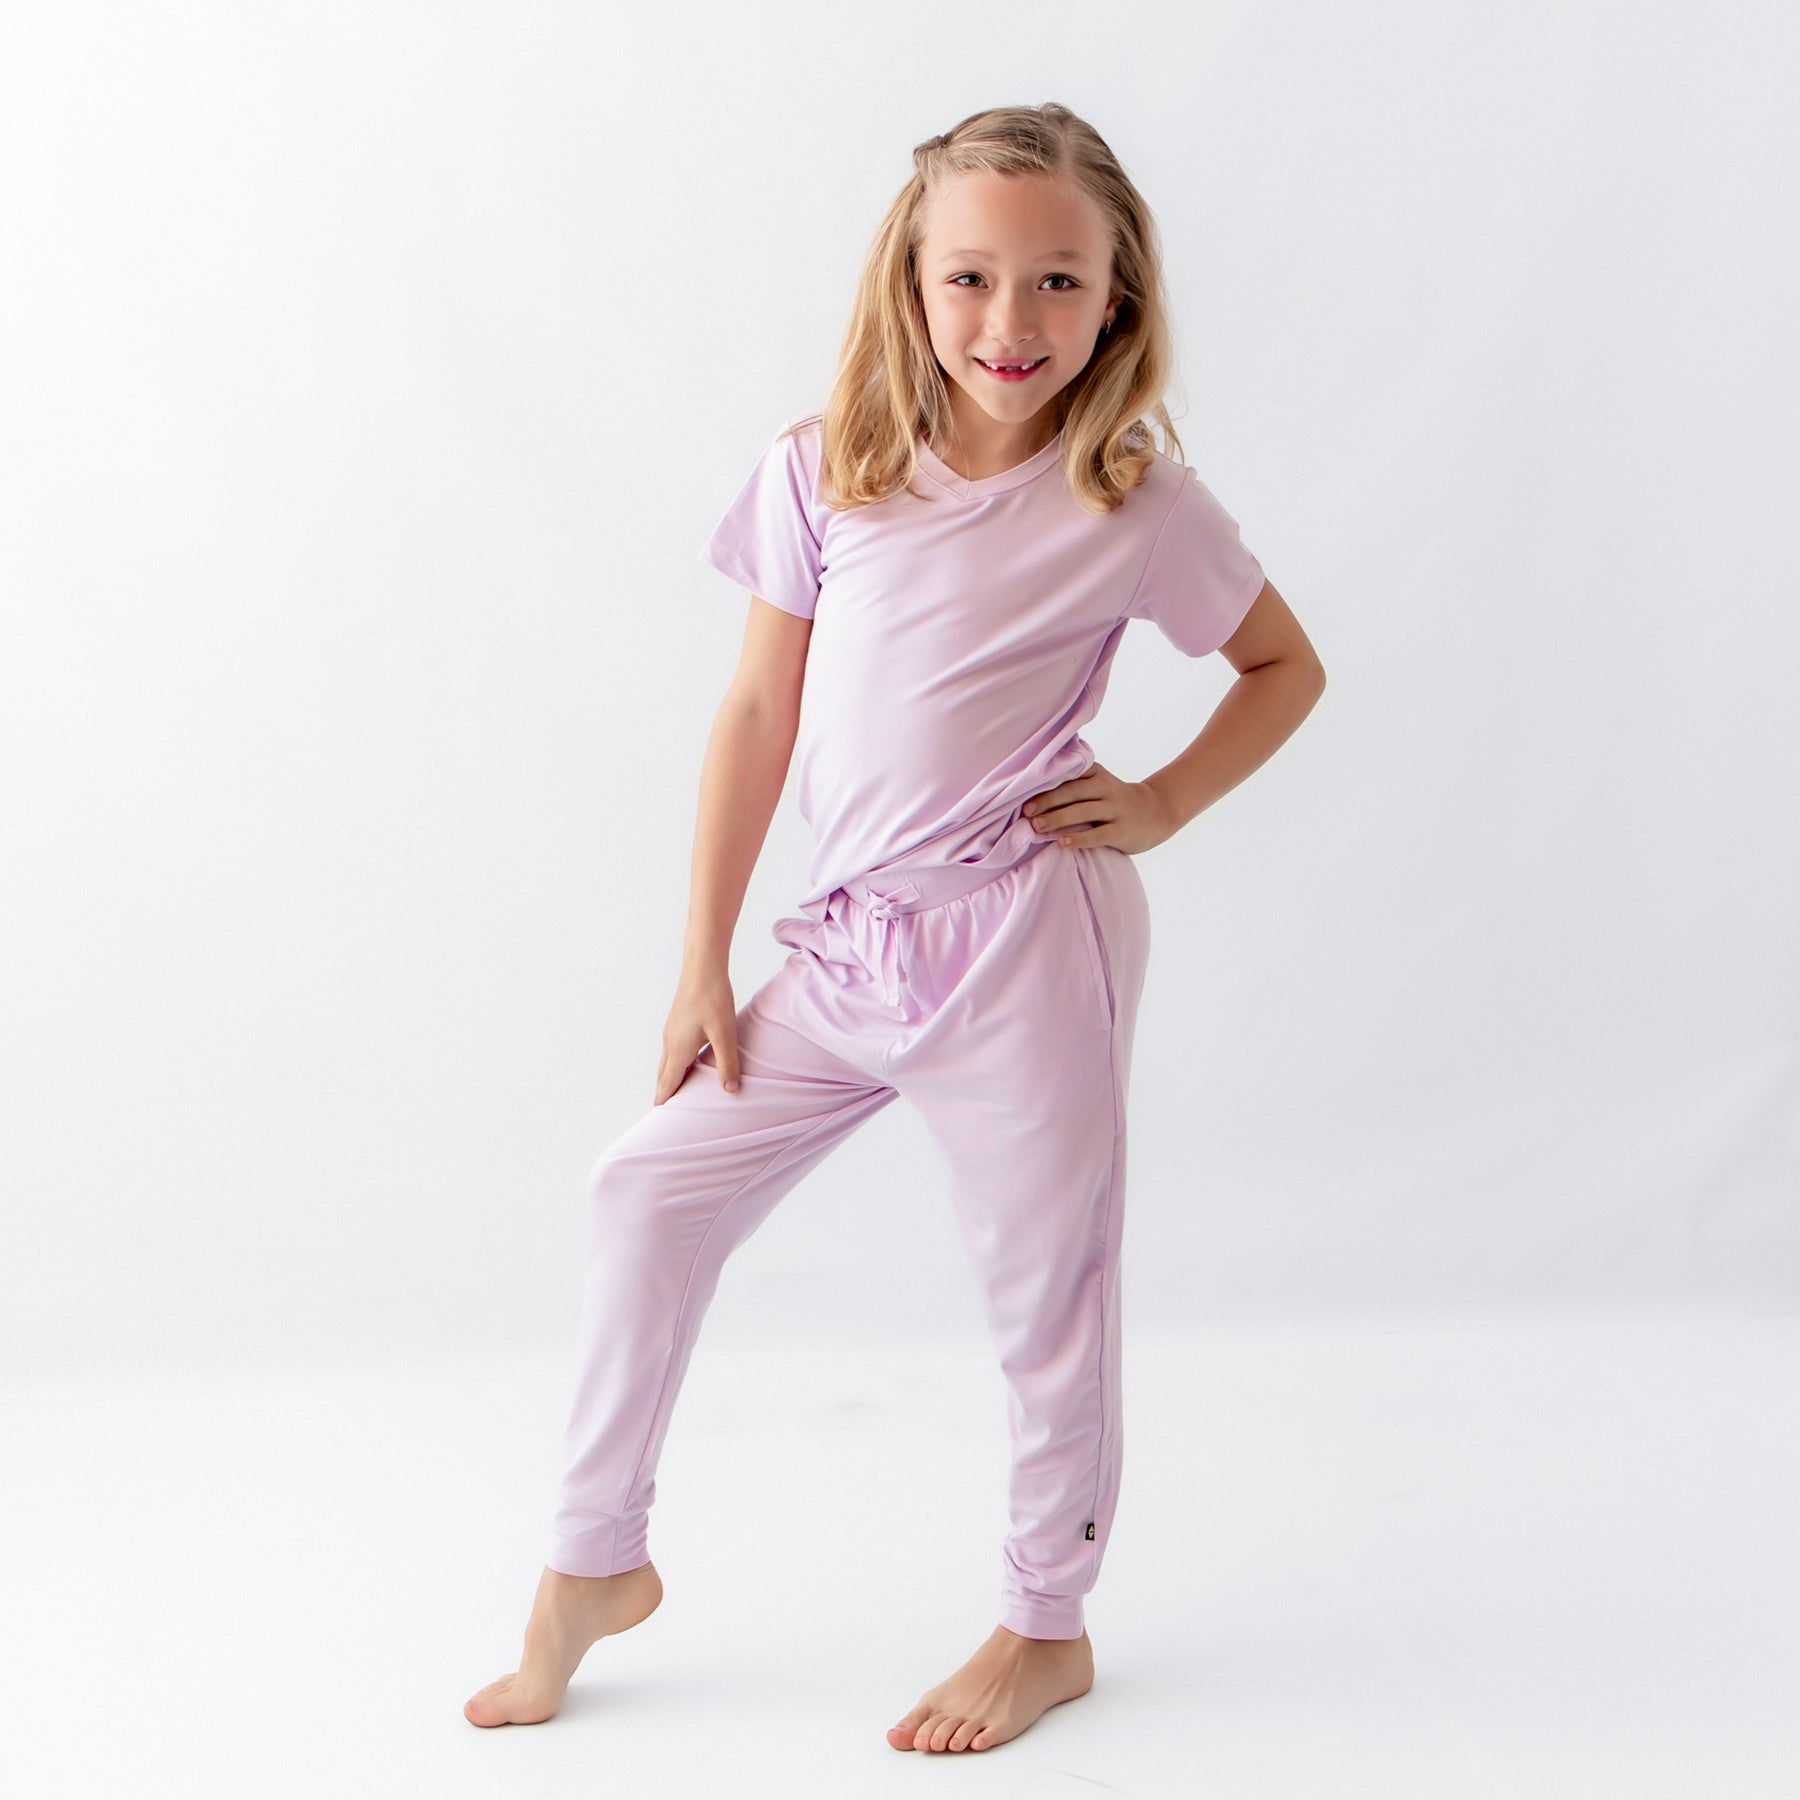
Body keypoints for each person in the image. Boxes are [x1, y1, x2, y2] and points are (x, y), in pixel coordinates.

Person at [466, 100, 1325, 1752]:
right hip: (852, 944)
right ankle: (593, 1564)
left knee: (1044, 1292)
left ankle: (1044, 1623)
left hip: (1027, 944)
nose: (1015, 326)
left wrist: (1157, 803)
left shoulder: (1132, 498)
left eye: (1061, 285)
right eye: (975, 280)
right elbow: (750, 720)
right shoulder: (823, 468)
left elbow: (1286, 668)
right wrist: (704, 964)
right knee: (646, 1189)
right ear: (911, 287)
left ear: (1118, 300)